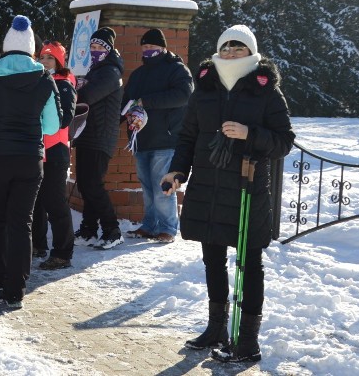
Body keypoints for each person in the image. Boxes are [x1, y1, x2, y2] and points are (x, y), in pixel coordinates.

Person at [161, 24, 294, 363]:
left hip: (247, 187)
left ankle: (247, 341)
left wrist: (250, 133)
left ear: (251, 52)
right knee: (212, 260)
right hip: (208, 185)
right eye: (227, 47)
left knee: (250, 263)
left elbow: (283, 141)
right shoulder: (204, 87)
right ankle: (216, 328)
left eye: (239, 48)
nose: (232, 53)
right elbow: (188, 136)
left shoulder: (266, 89)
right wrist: (178, 171)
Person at [0, 15, 61, 309]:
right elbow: (53, 126)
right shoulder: (45, 79)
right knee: (22, 223)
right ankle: (15, 289)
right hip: (30, 160)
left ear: (6, 47)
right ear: (32, 49)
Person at [122, 28, 193, 244]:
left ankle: (168, 228)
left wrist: (146, 101)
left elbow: (183, 96)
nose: (148, 50)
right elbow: (126, 102)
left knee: (162, 185)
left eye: (152, 47)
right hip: (141, 139)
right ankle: (150, 225)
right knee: (147, 186)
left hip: (166, 139)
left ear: (163, 47)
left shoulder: (177, 70)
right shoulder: (138, 74)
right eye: (144, 47)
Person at [73, 26, 125, 249]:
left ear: (109, 50)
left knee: (93, 185)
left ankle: (112, 230)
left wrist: (72, 90)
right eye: (92, 47)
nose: (94, 51)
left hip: (100, 136)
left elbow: (86, 96)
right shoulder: (95, 70)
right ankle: (88, 229)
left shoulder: (110, 73)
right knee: (85, 184)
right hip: (88, 134)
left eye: (98, 47)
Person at [31, 41, 77, 270]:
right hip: (40, 148)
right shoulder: (39, 81)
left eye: (50, 58)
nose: (45, 62)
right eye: (42, 57)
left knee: (54, 201)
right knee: (36, 199)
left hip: (56, 149)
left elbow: (65, 118)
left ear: (59, 61)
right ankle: (37, 244)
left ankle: (62, 252)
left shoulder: (65, 83)